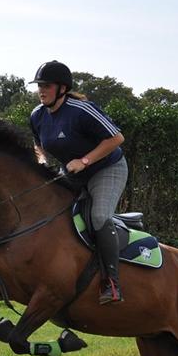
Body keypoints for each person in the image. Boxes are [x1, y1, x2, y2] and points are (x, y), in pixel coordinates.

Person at [28, 60, 127, 304]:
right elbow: (38, 144)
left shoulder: (81, 110)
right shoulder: (37, 115)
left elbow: (116, 138)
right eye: (39, 86)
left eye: (47, 86)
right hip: (72, 173)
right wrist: (42, 160)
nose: (41, 90)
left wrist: (85, 160)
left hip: (107, 169)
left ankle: (111, 283)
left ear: (62, 88)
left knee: (99, 217)